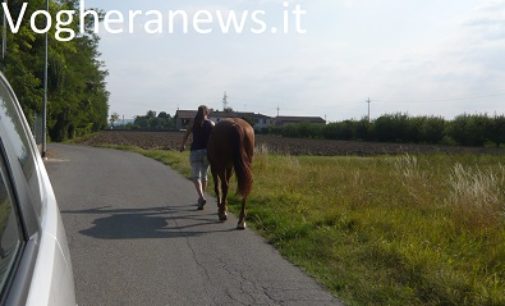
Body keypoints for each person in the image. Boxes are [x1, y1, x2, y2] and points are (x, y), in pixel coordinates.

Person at [180, 106, 215, 210]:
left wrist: (182, 145)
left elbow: (186, 135)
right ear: (206, 113)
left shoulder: (193, 123)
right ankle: (201, 198)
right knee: (204, 176)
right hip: (207, 153)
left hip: (195, 151)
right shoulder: (211, 124)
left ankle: (201, 197)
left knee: (196, 177)